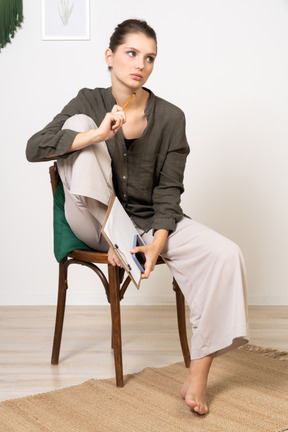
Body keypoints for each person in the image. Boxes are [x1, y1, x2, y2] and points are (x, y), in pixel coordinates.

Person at [26, 19, 249, 415]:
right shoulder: (87, 101)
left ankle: (199, 372)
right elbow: (35, 147)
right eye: (131, 54)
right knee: (77, 127)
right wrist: (97, 135)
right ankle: (119, 244)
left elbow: (169, 190)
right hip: (93, 223)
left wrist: (161, 238)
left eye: (149, 58)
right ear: (110, 57)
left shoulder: (172, 117)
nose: (140, 65)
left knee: (225, 253)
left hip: (148, 225)